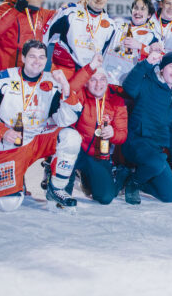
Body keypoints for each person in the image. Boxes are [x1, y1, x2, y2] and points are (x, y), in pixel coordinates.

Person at [0, 40, 83, 212]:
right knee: (8, 205)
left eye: (41, 57)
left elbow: (65, 120)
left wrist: (66, 88)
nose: (37, 61)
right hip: (12, 142)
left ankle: (57, 188)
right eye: (32, 56)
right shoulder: (1, 80)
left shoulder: (53, 82)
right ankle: (12, 181)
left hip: (40, 137)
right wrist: (2, 132)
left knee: (71, 137)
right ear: (23, 58)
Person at [55, 54, 128, 205]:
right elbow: (71, 88)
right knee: (62, 196)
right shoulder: (81, 94)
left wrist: (113, 134)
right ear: (87, 83)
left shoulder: (116, 100)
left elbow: (122, 135)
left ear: (107, 82)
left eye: (102, 79)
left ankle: (87, 178)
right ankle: (57, 173)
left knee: (106, 197)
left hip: (97, 153)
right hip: (76, 151)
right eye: (93, 79)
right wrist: (90, 67)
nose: (98, 84)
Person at [121, 51, 172, 204]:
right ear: (162, 69)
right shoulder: (148, 83)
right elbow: (128, 86)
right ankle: (133, 183)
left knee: (168, 196)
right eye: (171, 66)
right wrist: (146, 63)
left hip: (156, 150)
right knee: (156, 163)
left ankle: (130, 178)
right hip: (136, 142)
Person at [44, 0, 116, 79]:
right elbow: (46, 35)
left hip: (90, 73)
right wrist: (40, 59)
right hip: (65, 68)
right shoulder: (70, 13)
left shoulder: (111, 25)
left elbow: (108, 55)